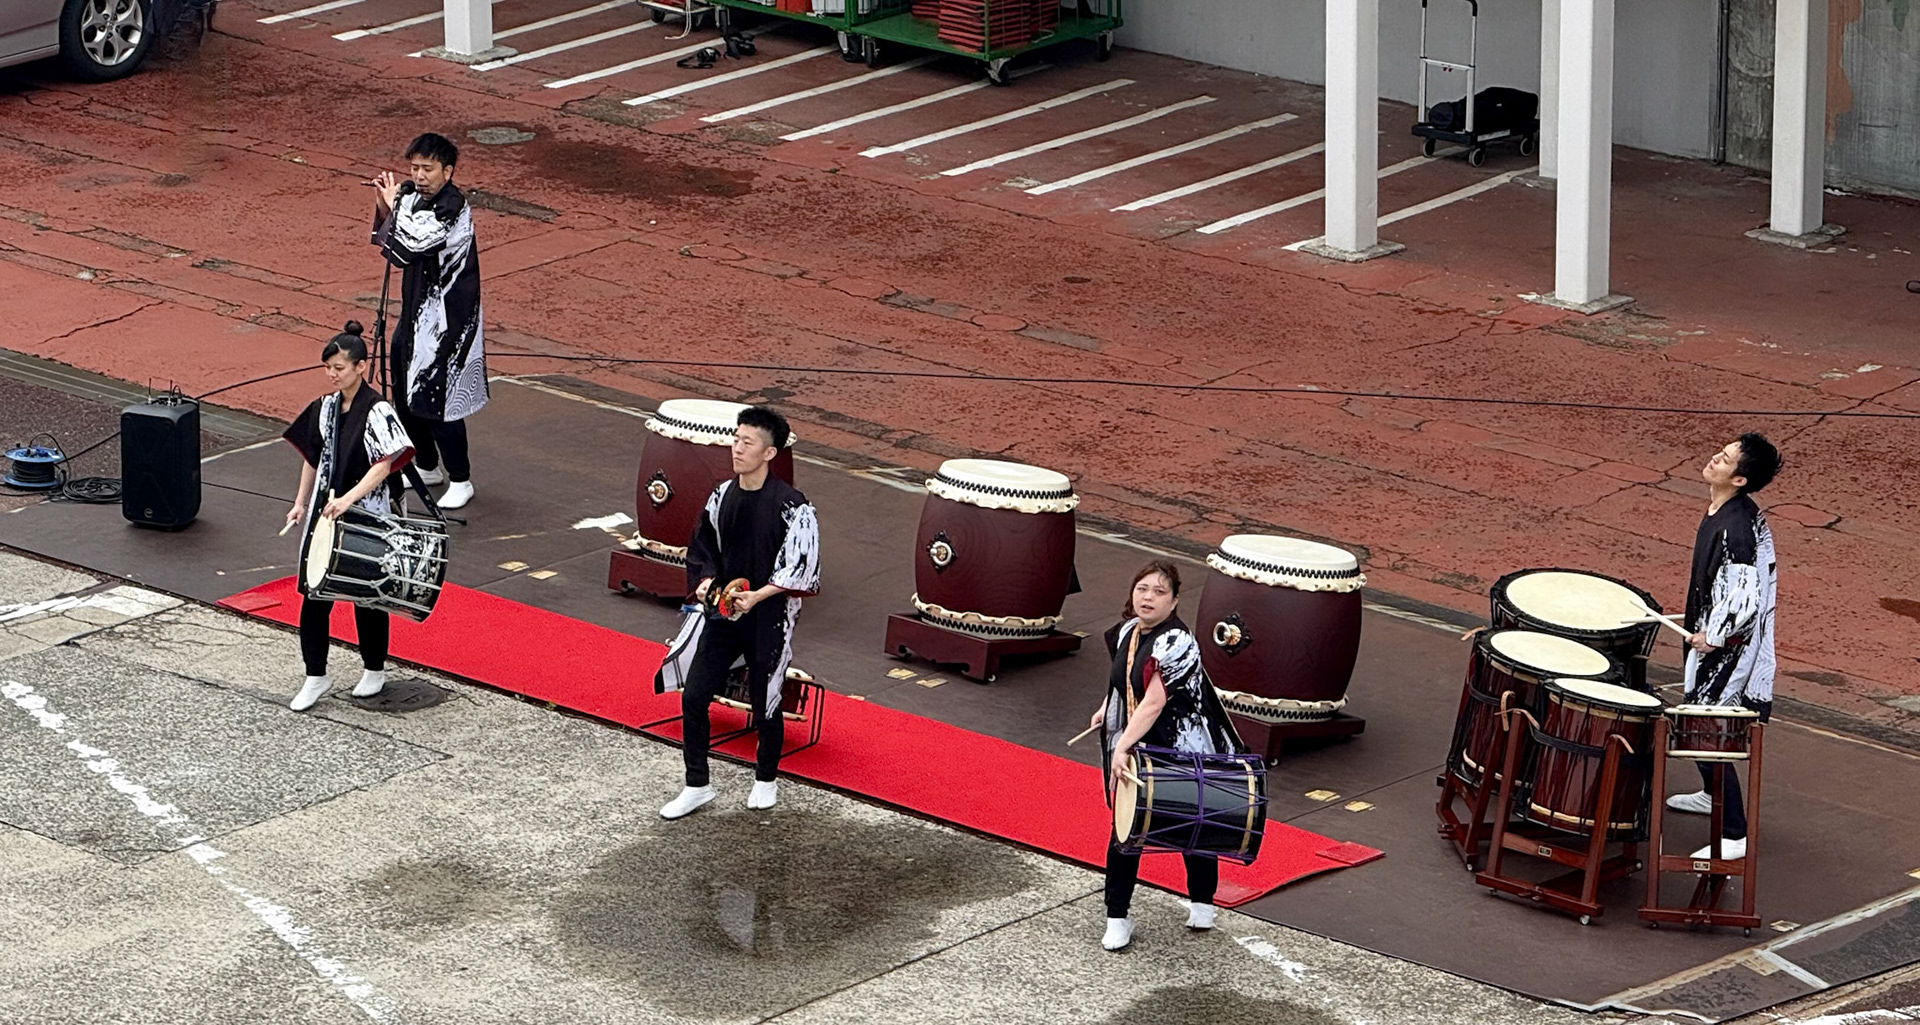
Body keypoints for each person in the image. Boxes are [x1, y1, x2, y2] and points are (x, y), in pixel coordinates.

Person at [654, 407, 821, 819]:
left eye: (747, 442)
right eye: (736, 439)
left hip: (770, 616)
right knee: (694, 696)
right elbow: (702, 547)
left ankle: (766, 779)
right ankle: (697, 784)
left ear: (769, 452)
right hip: (725, 611)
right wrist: (708, 581)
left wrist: (759, 596)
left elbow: (802, 566)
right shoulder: (721, 494)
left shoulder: (792, 506)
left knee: (767, 700)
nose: (737, 448)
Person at [1089, 560, 1246, 952]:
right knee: (1125, 832)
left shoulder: (1176, 641)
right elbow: (1123, 680)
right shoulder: (1128, 631)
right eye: (1142, 589)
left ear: (1174, 601)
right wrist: (1105, 707)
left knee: (1194, 827)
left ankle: (1203, 902)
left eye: (1159, 592)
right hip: (1139, 742)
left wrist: (1122, 743)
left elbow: (1156, 699)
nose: (1148, 597)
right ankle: (1117, 916)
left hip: (1180, 747)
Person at [282, 322, 415, 711]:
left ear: (361, 366)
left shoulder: (378, 410)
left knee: (367, 595)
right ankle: (315, 675)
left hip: (367, 512)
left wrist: (349, 499)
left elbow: (386, 464)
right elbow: (312, 456)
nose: (332, 374)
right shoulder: (324, 407)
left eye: (339, 367)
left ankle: (374, 668)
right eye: (328, 368)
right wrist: (300, 501)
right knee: (314, 593)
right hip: (326, 511)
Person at [1664, 433, 1783, 860]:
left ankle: (1734, 833)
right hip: (1714, 636)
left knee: (1706, 728)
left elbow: (1744, 597)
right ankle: (1709, 794)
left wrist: (1713, 636)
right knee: (1698, 718)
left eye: (1726, 458)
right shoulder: (1726, 509)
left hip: (1728, 648)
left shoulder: (1736, 528)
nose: (1716, 458)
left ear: (1739, 479)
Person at [368, 131, 486, 511]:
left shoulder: (452, 206)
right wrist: (385, 207)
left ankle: (461, 477)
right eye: (414, 167)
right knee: (404, 386)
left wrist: (395, 207)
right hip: (415, 310)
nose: (419, 175)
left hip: (448, 320)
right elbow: (390, 240)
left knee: (439, 397)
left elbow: (412, 245)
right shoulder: (412, 198)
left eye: (428, 168)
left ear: (447, 172)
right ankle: (427, 463)